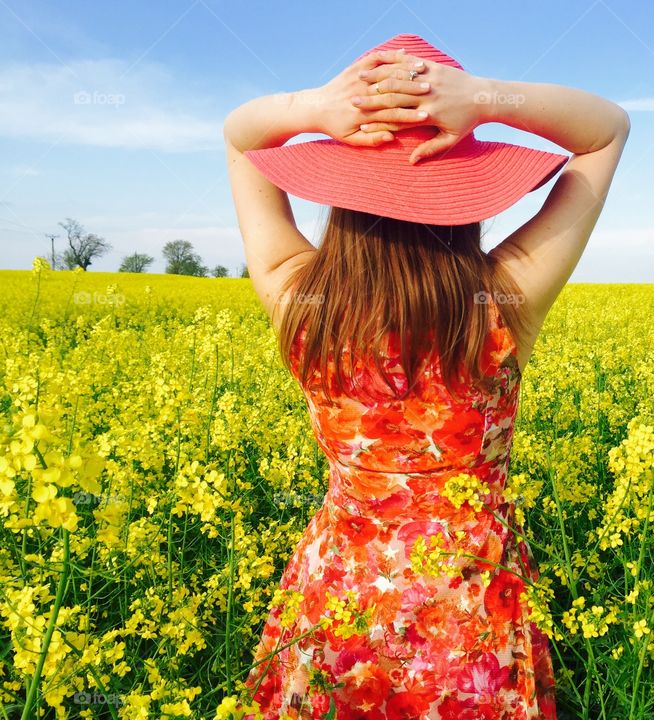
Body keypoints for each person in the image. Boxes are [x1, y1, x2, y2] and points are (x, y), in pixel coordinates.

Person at [223, 32, 629, 720]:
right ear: (468, 198)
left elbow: (241, 141)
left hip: (339, 600)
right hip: (469, 607)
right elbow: (606, 131)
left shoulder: (299, 301)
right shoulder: (503, 303)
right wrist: (485, 100)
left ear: (340, 198)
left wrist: (318, 108)